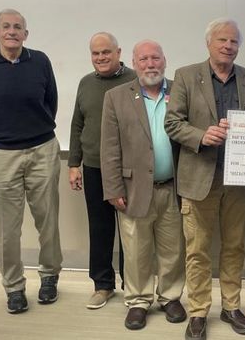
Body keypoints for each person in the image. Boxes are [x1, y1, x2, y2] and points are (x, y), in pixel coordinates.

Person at [164, 17, 245, 340]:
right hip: (198, 178)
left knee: (235, 247)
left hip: (238, 179)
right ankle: (198, 311)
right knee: (198, 250)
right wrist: (201, 135)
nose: (228, 46)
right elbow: (172, 123)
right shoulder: (186, 76)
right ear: (209, 43)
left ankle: (231, 306)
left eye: (234, 41)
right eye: (222, 40)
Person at [0, 9, 63, 314]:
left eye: (18, 27)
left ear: (25, 34)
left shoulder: (41, 61)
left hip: (42, 150)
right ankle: (14, 287)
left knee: (47, 222)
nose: (12, 31)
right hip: (0, 154)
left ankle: (49, 276)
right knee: (8, 229)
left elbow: (51, 101)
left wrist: (36, 131)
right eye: (6, 27)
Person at [101, 40, 187, 330]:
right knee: (136, 249)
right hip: (132, 188)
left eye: (155, 58)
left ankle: (170, 296)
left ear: (165, 61)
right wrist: (113, 188)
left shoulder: (180, 92)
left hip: (174, 186)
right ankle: (137, 301)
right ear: (134, 63)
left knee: (173, 247)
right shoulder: (116, 96)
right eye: (144, 59)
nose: (150, 64)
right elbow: (110, 148)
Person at [68, 32, 135, 309]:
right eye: (95, 53)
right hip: (94, 166)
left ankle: (133, 285)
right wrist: (74, 163)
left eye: (106, 52)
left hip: (127, 169)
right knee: (100, 227)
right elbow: (77, 124)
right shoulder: (85, 83)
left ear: (119, 52)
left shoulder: (135, 80)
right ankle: (102, 285)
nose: (101, 58)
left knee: (131, 229)